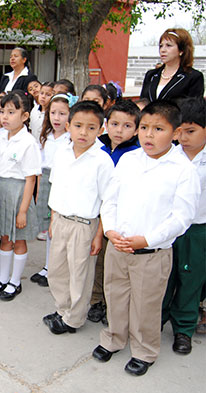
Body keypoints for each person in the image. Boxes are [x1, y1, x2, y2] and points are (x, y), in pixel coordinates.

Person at [93, 101, 200, 376]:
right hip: (119, 245)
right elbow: (110, 198)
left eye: (158, 129)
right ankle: (114, 338)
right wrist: (111, 230)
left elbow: (181, 217)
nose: (148, 135)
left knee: (146, 305)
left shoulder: (182, 170)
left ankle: (144, 350)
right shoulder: (130, 159)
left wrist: (147, 239)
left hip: (151, 253)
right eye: (144, 128)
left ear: (175, 133)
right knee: (115, 295)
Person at [43, 101, 114, 335]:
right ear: (69, 125)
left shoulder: (102, 161)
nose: (83, 132)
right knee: (57, 270)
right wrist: (53, 219)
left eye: (91, 128)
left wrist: (98, 234)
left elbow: (107, 201)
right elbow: (56, 187)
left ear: (101, 129)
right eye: (78, 126)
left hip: (84, 226)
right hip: (61, 219)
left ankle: (74, 319)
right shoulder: (62, 153)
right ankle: (63, 308)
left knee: (80, 275)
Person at [87, 100, 141, 324]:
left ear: (137, 129)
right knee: (97, 261)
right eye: (115, 124)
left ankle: (114, 306)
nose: (119, 130)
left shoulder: (137, 153)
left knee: (116, 265)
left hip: (121, 218)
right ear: (106, 124)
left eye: (127, 126)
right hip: (94, 212)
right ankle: (97, 299)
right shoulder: (96, 145)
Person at [0, 93, 41, 301]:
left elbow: (31, 179)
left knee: (19, 239)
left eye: (10, 112)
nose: (4, 117)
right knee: (5, 238)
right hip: (0, 189)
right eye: (1, 112)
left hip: (18, 194)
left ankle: (15, 281)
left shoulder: (28, 142)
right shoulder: (1, 137)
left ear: (25, 116)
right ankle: (2, 279)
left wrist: (23, 210)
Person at [161, 97, 206, 355]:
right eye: (180, 131)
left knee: (191, 279)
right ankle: (157, 319)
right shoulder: (170, 155)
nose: (184, 138)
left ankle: (184, 329)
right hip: (168, 228)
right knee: (164, 276)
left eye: (191, 131)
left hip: (197, 229)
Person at [31, 93, 74, 288]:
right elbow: (41, 168)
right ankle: (48, 265)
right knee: (48, 228)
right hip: (46, 182)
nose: (56, 118)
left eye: (62, 113)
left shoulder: (71, 139)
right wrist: (39, 191)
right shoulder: (46, 136)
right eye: (53, 113)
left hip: (63, 184)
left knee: (57, 228)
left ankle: (57, 268)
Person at [140, 28, 204, 101]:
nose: (163, 50)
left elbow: (193, 108)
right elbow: (142, 103)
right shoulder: (151, 75)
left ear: (181, 50)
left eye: (168, 45)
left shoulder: (193, 77)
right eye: (161, 46)